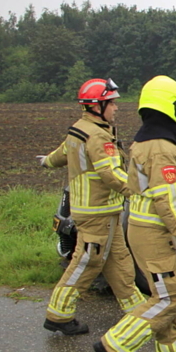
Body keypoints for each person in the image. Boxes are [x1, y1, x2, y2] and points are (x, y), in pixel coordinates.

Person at [93, 75, 176, 352]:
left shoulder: (149, 141)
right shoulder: (160, 148)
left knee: (172, 295)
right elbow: (166, 202)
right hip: (155, 233)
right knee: (169, 299)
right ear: (170, 106)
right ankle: (114, 346)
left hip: (150, 231)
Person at [39, 78, 145, 335]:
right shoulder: (98, 136)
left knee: (118, 261)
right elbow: (111, 174)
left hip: (102, 212)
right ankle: (58, 314)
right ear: (97, 106)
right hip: (97, 212)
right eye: (112, 103)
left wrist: (45, 162)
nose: (116, 108)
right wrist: (141, 193)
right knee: (87, 262)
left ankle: (139, 312)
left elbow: (61, 154)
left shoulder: (80, 129)